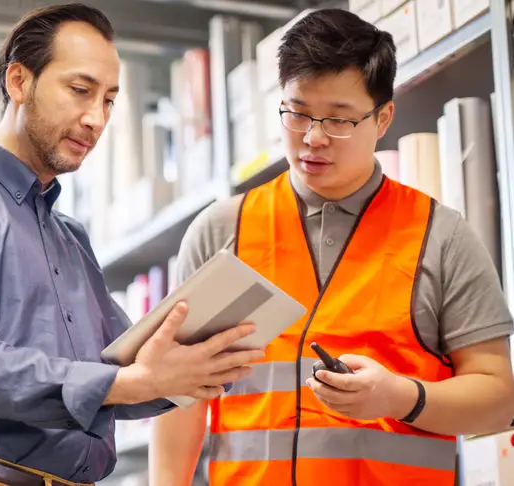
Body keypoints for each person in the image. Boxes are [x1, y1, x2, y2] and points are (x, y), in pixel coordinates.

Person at [0, 3, 265, 486]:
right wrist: (129, 382)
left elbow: (118, 370)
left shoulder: (69, 237)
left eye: (108, 100)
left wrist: (195, 364)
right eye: (80, 91)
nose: (95, 118)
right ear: (18, 82)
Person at [148, 8, 514, 486]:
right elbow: (180, 394)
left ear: (383, 118)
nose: (313, 138)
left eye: (339, 120)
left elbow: (499, 400)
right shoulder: (223, 230)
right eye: (297, 112)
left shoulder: (440, 237)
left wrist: (402, 398)